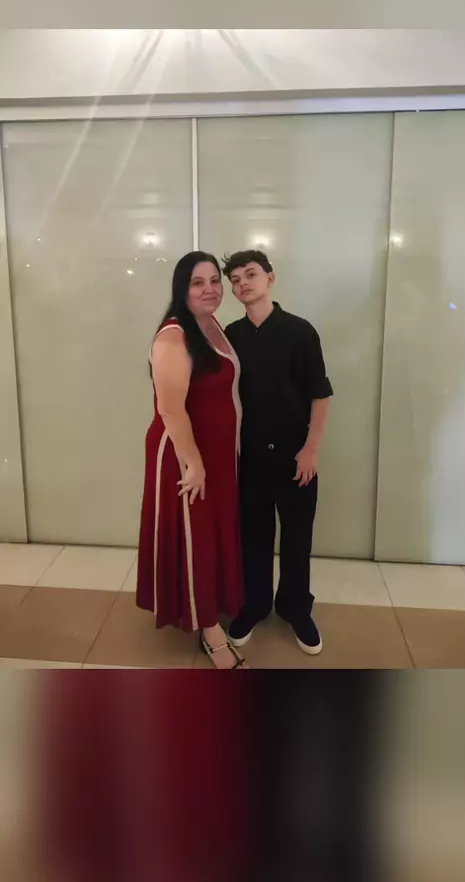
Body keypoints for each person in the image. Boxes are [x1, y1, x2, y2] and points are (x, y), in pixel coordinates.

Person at [136, 251, 248, 670]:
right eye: (198, 282)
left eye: (215, 280)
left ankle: (210, 602)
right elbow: (170, 408)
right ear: (182, 289)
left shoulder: (211, 325)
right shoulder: (173, 336)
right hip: (185, 454)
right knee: (195, 536)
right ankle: (211, 633)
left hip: (217, 452)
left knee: (212, 531)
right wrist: (194, 464)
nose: (210, 289)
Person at [222, 250, 333, 655]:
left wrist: (311, 450)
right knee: (253, 538)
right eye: (235, 280)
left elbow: (320, 394)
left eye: (250, 274)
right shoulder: (231, 335)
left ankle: (296, 609)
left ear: (270, 278)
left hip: (295, 456)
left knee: (297, 539)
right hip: (249, 457)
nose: (243, 284)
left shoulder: (300, 332)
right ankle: (253, 606)